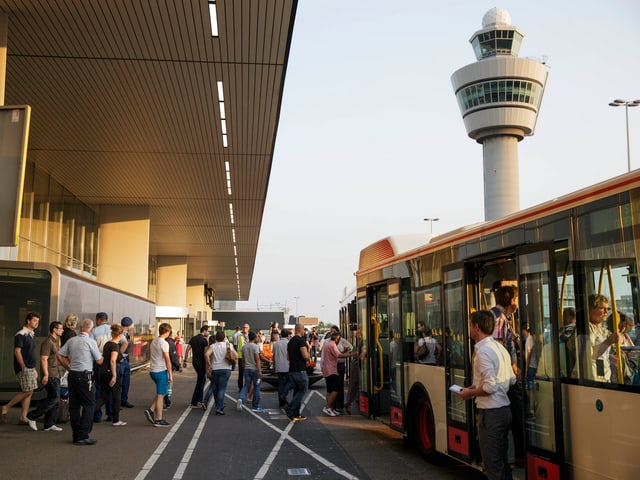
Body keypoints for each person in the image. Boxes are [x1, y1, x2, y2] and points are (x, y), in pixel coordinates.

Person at [458, 310, 516, 480]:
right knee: (502, 463)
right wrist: (477, 386)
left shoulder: (482, 352)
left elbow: (490, 386)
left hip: (491, 413)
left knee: (492, 465)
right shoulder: (500, 347)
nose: (469, 329)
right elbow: (511, 380)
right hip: (504, 411)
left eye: (470, 325)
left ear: (477, 327)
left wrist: (470, 393)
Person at [491, 285, 524, 466]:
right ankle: (518, 455)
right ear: (511, 300)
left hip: (502, 375)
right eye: (517, 299)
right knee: (518, 413)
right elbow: (498, 346)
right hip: (503, 376)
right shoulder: (500, 318)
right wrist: (512, 365)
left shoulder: (498, 316)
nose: (517, 303)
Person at [56, 318, 103, 445]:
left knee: (74, 405)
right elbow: (99, 360)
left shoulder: (72, 340)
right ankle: (83, 434)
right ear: (91, 329)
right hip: (85, 376)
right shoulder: (90, 342)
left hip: (73, 374)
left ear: (81, 328)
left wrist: (68, 366)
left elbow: (59, 355)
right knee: (89, 404)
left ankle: (76, 435)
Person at [1, 312, 41, 431]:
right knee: (28, 391)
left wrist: (34, 368)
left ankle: (23, 417)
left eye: (38, 321)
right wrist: (23, 366)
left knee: (29, 391)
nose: (36, 323)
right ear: (28, 321)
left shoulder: (31, 334)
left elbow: (29, 353)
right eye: (34, 320)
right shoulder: (21, 334)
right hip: (24, 367)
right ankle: (5, 407)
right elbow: (17, 351)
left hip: (30, 367)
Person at [25, 320, 65, 431]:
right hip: (51, 373)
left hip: (56, 373)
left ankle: (49, 423)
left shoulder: (56, 341)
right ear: (54, 329)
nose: (62, 330)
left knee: (55, 399)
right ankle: (32, 416)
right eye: (60, 328)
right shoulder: (48, 342)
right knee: (54, 397)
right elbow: (43, 359)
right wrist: (46, 375)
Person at [97, 324, 127, 426]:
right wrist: (114, 376)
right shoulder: (115, 346)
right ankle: (116, 419)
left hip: (103, 372)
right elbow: (113, 361)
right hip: (111, 372)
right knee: (116, 396)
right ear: (120, 335)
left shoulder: (107, 344)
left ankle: (89, 412)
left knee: (103, 396)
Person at [321, 332, 357, 416]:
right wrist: (353, 354)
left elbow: (335, 354)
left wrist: (344, 351)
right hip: (331, 370)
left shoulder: (328, 344)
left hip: (327, 370)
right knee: (336, 389)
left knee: (330, 390)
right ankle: (327, 407)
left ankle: (330, 408)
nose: (339, 341)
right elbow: (339, 355)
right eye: (339, 340)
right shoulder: (332, 345)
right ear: (337, 339)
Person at [144, 323, 173, 427]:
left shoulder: (154, 341)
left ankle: (151, 409)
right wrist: (170, 374)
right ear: (167, 332)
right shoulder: (164, 343)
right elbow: (167, 359)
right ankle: (158, 419)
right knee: (161, 395)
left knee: (162, 392)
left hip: (153, 370)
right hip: (161, 371)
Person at [282, 323, 311, 421]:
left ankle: (296, 414)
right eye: (303, 330)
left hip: (292, 370)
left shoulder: (290, 342)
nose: (304, 332)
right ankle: (289, 408)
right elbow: (305, 355)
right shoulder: (301, 341)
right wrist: (309, 358)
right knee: (303, 390)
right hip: (300, 370)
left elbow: (288, 357)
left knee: (296, 391)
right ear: (301, 329)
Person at [587, 294, 618, 382]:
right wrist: (608, 341)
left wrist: (611, 357)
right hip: (594, 376)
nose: (606, 312)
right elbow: (590, 354)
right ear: (591, 309)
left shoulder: (600, 328)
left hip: (604, 374)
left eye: (607, 309)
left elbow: (602, 352)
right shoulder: (586, 328)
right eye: (602, 308)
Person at [237, 331, 269, 413]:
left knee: (246, 385)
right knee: (257, 387)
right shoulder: (255, 347)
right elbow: (257, 360)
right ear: (255, 338)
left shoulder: (244, 347)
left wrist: (244, 368)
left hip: (247, 369)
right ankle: (255, 406)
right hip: (255, 369)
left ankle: (241, 398)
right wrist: (260, 371)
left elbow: (243, 360)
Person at [204, 330, 234, 414]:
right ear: (224, 337)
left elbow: (206, 354)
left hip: (216, 369)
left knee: (215, 387)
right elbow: (235, 355)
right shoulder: (228, 345)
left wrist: (209, 365)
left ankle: (217, 404)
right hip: (226, 369)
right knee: (221, 389)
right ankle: (219, 408)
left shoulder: (213, 346)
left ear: (216, 337)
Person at [183, 325, 210, 407]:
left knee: (202, 380)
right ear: (204, 331)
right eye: (208, 331)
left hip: (195, 362)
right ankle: (194, 401)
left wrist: (185, 360)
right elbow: (206, 353)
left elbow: (187, 349)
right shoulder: (204, 340)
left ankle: (199, 399)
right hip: (202, 362)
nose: (208, 333)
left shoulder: (193, 338)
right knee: (200, 381)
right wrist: (208, 364)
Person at [91, 311, 111, 422]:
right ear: (106, 319)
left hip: (98, 361)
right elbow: (124, 342)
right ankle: (111, 414)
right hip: (111, 361)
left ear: (98, 320)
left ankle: (97, 415)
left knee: (98, 388)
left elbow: (92, 347)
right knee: (111, 388)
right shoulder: (113, 330)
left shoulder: (94, 331)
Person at [329, 325, 353, 411]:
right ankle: (332, 405)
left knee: (339, 385)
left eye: (334, 332)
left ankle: (339, 405)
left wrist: (345, 351)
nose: (332, 333)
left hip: (340, 365)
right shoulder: (329, 341)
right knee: (332, 386)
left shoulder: (342, 341)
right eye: (331, 332)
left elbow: (351, 347)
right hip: (332, 365)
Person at [345, 327, 365, 414]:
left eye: (359, 330)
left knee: (355, 384)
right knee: (355, 384)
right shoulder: (363, 341)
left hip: (356, 364)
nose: (356, 332)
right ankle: (349, 402)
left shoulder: (360, 341)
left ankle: (352, 401)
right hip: (358, 364)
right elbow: (362, 356)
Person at [273, 328, 293, 408]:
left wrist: (274, 366)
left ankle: (281, 401)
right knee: (290, 381)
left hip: (279, 365)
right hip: (287, 366)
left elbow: (274, 356)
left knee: (280, 383)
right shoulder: (289, 343)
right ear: (288, 335)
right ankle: (284, 394)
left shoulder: (276, 344)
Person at [522, 323, 537, 417]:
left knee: (529, 388)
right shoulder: (531, 339)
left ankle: (531, 408)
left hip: (531, 366)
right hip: (533, 365)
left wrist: (526, 369)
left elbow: (528, 355)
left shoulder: (529, 339)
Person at [119, 316, 135, 408]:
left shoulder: (125, 334)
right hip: (122, 360)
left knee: (125, 381)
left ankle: (123, 400)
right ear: (129, 325)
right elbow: (128, 347)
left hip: (125, 360)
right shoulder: (123, 335)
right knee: (122, 382)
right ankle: (120, 401)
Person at [164, 334, 183, 409]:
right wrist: (179, 366)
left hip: (158, 367)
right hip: (167, 367)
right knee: (166, 385)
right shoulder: (170, 343)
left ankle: (166, 400)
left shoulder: (159, 341)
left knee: (162, 385)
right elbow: (174, 356)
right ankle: (166, 401)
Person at [236, 323, 250, 389]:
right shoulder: (239, 336)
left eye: (246, 327)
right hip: (241, 357)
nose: (245, 329)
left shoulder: (250, 336)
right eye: (244, 327)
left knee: (248, 372)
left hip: (248, 356)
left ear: (248, 328)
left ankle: (247, 386)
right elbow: (237, 346)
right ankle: (240, 387)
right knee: (241, 373)